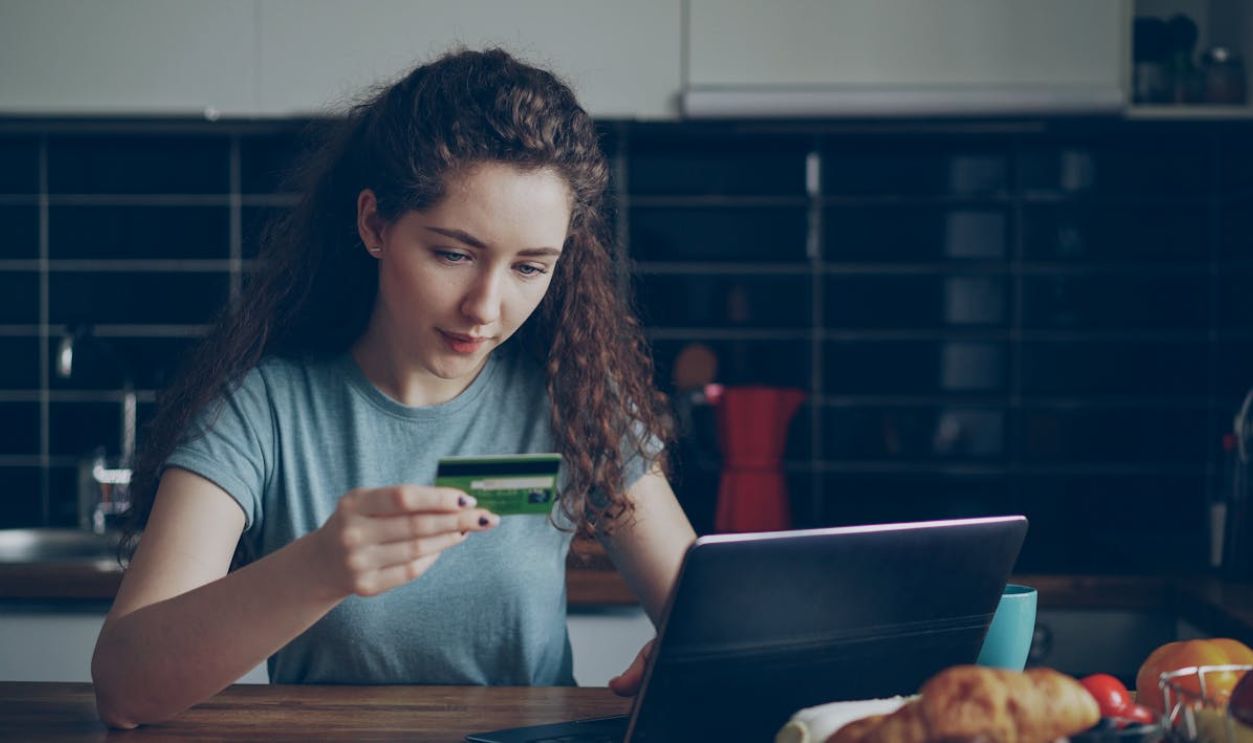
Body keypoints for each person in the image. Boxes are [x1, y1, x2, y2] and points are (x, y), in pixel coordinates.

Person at [91, 47, 696, 729]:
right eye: (453, 254)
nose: (485, 305)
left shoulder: (576, 400)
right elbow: (124, 685)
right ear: (374, 223)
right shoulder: (260, 412)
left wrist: (694, 651)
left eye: (529, 267)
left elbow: (703, 612)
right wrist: (319, 566)